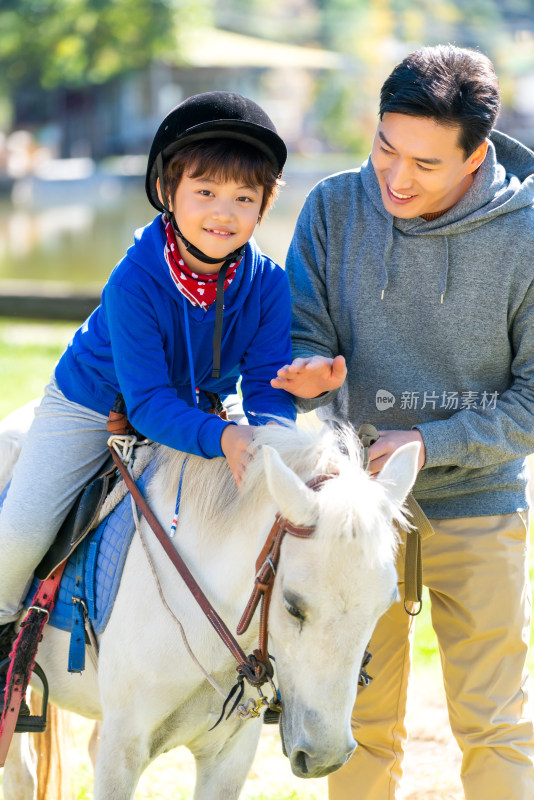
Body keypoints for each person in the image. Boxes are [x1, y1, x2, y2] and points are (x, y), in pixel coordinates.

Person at [272, 44, 534, 799]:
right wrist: (312, 374)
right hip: (351, 507)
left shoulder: (524, 237)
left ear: (475, 155)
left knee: (494, 723)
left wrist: (430, 441)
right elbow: (304, 336)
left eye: (424, 163)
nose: (395, 176)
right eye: (385, 147)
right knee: (360, 721)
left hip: (478, 502)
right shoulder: (333, 207)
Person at [0, 91, 296, 724]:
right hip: (92, 406)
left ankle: (272, 662)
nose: (225, 213)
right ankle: (2, 655)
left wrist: (272, 446)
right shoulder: (134, 278)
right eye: (206, 192)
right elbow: (148, 401)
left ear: (266, 205)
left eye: (245, 199)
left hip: (195, 408)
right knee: (19, 533)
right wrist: (224, 438)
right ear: (167, 188)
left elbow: (270, 388)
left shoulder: (268, 282)